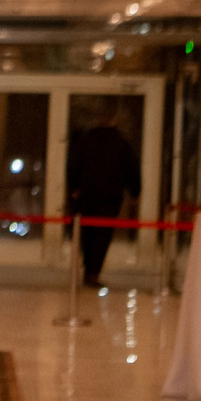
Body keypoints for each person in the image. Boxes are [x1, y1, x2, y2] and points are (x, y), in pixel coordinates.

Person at [65, 107, 141, 288]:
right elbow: (132, 168)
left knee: (87, 233)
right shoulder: (121, 143)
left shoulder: (84, 141)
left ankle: (88, 268)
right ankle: (93, 272)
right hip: (110, 197)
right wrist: (134, 192)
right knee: (102, 235)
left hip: (87, 195)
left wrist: (74, 187)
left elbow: (73, 165)